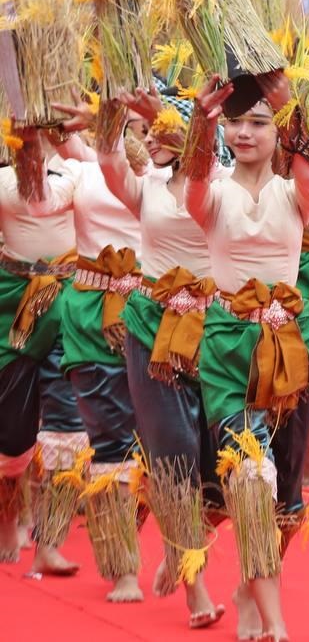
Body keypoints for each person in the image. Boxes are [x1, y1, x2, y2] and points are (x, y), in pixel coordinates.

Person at [187, 73, 309, 642]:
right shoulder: (212, 192)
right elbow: (195, 181)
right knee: (249, 479)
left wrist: (289, 102)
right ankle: (275, 622)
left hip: (291, 347)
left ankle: (251, 586)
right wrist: (202, 122)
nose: (244, 132)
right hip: (227, 347)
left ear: (278, 130)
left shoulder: (298, 193)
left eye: (258, 122)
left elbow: (308, 160)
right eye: (235, 122)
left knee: (286, 498)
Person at [97, 93, 225, 629]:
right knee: (173, 452)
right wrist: (110, 102)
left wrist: (168, 117)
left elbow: (204, 157)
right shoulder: (145, 184)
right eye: (144, 131)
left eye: (159, 129)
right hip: (151, 329)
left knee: (218, 468)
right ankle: (197, 589)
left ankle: (181, 544)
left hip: (215, 330)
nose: (148, 139)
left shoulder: (217, 182)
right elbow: (109, 158)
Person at [35, 120, 147, 604]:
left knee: (160, 446)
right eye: (125, 124)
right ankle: (116, 566)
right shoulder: (80, 170)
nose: (138, 133)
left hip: (159, 317)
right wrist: (30, 143)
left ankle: (183, 569)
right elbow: (39, 202)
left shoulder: (172, 177)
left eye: (146, 123)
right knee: (95, 438)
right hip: (88, 319)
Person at [0, 135, 84, 577]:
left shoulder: (78, 171)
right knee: (13, 435)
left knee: (69, 426)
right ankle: (8, 520)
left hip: (69, 301)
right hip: (11, 303)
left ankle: (50, 543)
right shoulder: (2, 178)